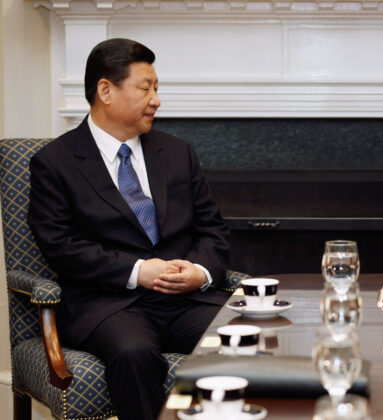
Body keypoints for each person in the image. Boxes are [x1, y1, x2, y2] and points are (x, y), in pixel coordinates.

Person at [28, 38, 232, 420]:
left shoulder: (176, 152)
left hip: (184, 300)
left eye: (157, 89)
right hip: (108, 303)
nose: (156, 99)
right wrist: (139, 271)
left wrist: (200, 273)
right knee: (133, 353)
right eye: (145, 88)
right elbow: (60, 246)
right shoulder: (54, 163)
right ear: (106, 90)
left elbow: (213, 229)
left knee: (241, 338)